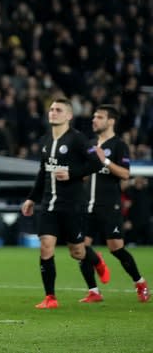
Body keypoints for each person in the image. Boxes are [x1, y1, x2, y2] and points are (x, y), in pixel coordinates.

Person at [21, 98, 107, 309]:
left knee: (77, 252)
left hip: (72, 205)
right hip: (49, 205)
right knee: (45, 247)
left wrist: (72, 173)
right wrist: (32, 198)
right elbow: (43, 173)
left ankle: (96, 260)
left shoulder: (78, 140)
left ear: (68, 115)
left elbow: (97, 163)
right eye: (51, 109)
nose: (53, 112)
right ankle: (50, 298)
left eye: (58, 110)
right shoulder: (45, 141)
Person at [79, 105, 149, 303]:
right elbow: (85, 172)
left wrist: (106, 161)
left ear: (111, 121)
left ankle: (140, 282)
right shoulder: (90, 143)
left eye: (99, 117)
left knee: (116, 248)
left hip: (109, 206)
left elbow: (126, 174)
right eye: (94, 116)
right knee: (81, 248)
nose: (94, 120)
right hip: (87, 205)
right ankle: (93, 291)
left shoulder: (119, 145)